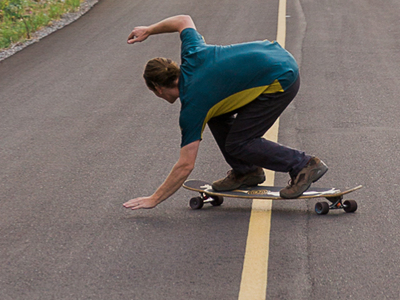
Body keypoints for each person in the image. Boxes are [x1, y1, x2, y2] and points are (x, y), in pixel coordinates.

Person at [122, 13, 328, 209]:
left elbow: (185, 165)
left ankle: (304, 164)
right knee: (217, 114)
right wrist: (149, 29)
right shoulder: (192, 53)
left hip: (281, 78)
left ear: (157, 88)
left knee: (240, 142)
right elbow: (183, 20)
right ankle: (246, 171)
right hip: (274, 55)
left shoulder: (193, 107)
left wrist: (154, 199)